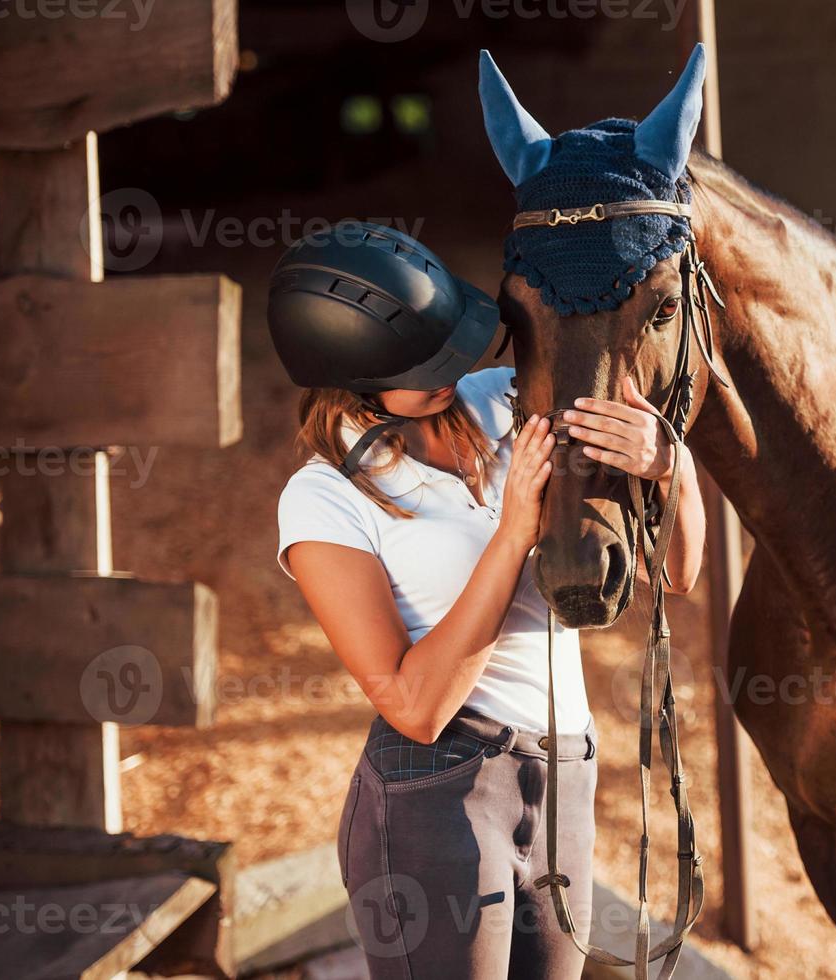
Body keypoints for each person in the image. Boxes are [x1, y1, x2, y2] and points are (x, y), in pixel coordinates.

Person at [266, 221, 702, 979]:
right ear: (351, 372)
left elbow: (680, 574)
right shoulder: (324, 500)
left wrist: (671, 462)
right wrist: (511, 540)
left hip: (564, 774)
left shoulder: (507, 402)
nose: (454, 368)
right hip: (436, 795)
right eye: (422, 362)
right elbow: (414, 704)